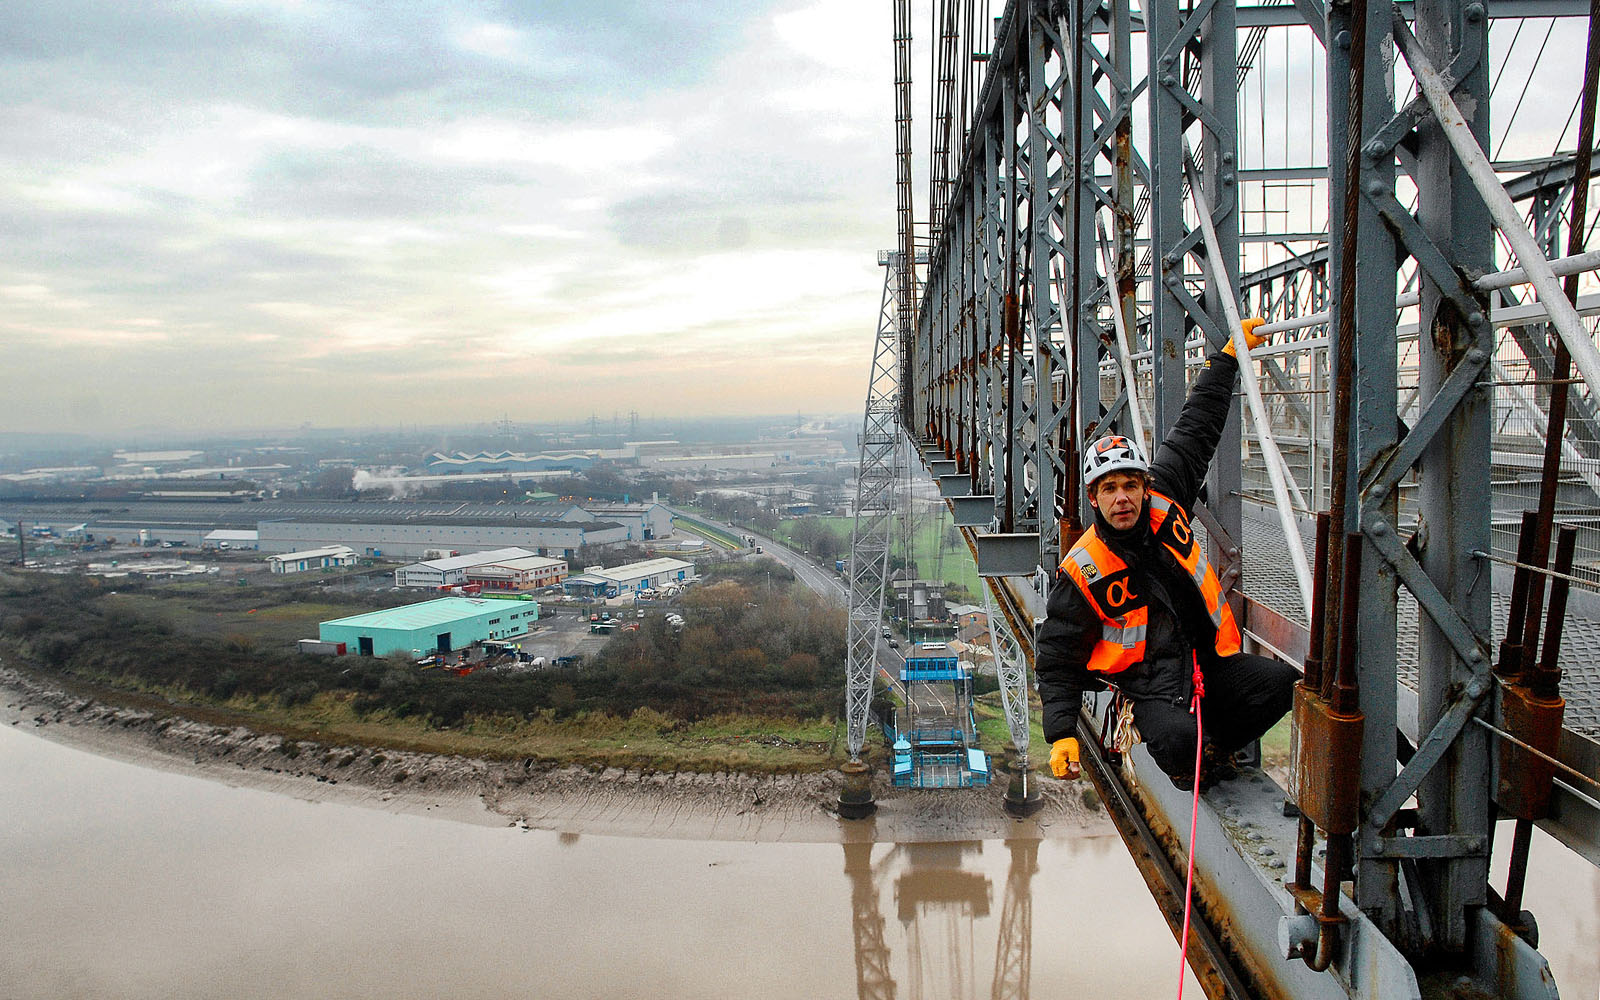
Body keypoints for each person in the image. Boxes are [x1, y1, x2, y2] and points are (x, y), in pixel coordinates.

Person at [1036, 318, 1297, 789]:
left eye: (1130, 486)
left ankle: (1213, 741)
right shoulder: (1084, 568)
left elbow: (1195, 432)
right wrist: (1061, 733)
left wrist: (1226, 361)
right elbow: (1058, 655)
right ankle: (1188, 762)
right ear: (1093, 498)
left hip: (1210, 660)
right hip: (1152, 687)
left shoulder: (1166, 499)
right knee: (1179, 743)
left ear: (1144, 485)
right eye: (1110, 489)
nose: (1123, 498)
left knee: (1278, 686)